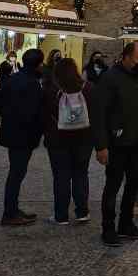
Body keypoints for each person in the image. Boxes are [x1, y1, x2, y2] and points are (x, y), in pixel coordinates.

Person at [92, 42, 138, 246]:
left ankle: (126, 223)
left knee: (134, 181)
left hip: (137, 141)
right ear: (126, 57)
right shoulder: (109, 78)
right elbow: (99, 114)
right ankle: (108, 228)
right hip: (116, 142)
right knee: (113, 185)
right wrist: (101, 145)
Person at [0, 48, 44, 227]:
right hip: (25, 135)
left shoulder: (12, 79)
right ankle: (10, 212)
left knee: (16, 172)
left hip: (12, 133)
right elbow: (35, 112)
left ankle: (13, 209)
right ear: (39, 64)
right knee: (16, 174)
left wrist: (7, 114)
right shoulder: (33, 83)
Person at [43, 58, 94, 225]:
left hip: (58, 140)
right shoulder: (88, 88)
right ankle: (82, 212)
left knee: (61, 177)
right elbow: (96, 113)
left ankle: (61, 215)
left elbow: (44, 114)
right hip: (84, 139)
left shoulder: (51, 90)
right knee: (81, 174)